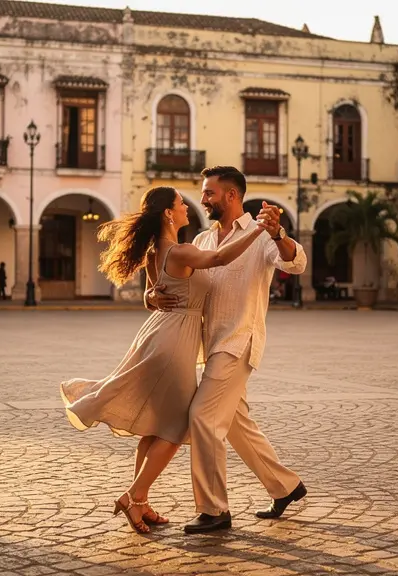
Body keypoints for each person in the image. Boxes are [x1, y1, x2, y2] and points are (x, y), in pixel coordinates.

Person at [60, 185, 266, 534]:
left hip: (159, 335)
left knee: (156, 426)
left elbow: (152, 293)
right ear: (169, 214)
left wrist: (151, 296)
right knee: (175, 428)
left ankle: (140, 503)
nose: (188, 207)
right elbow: (217, 259)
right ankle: (133, 495)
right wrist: (258, 229)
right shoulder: (180, 250)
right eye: (181, 204)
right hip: (173, 344)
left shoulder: (158, 252)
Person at [146, 165, 309, 534]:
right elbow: (180, 284)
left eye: (209, 193)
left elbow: (296, 262)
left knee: (203, 416)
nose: (202, 199)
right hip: (208, 344)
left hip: (238, 340)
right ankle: (285, 486)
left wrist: (278, 233)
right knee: (236, 424)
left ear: (231, 196)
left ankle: (214, 510)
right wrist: (151, 294)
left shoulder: (261, 233)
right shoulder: (203, 241)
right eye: (203, 194)